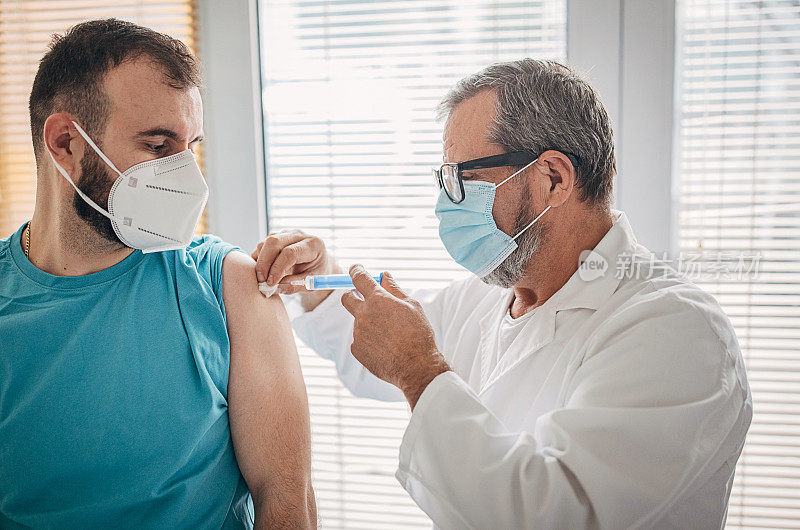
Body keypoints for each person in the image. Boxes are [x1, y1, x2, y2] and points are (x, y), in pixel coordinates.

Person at [253, 59, 753, 528]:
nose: (444, 204)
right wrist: (321, 275)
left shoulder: (675, 332)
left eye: (462, 179)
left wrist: (420, 372)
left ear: (552, 178)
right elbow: (377, 344)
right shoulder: (490, 296)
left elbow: (549, 513)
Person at [0, 19, 315, 529]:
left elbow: (287, 499)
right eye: (157, 146)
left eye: (190, 146)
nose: (188, 177)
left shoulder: (229, 286)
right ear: (65, 143)